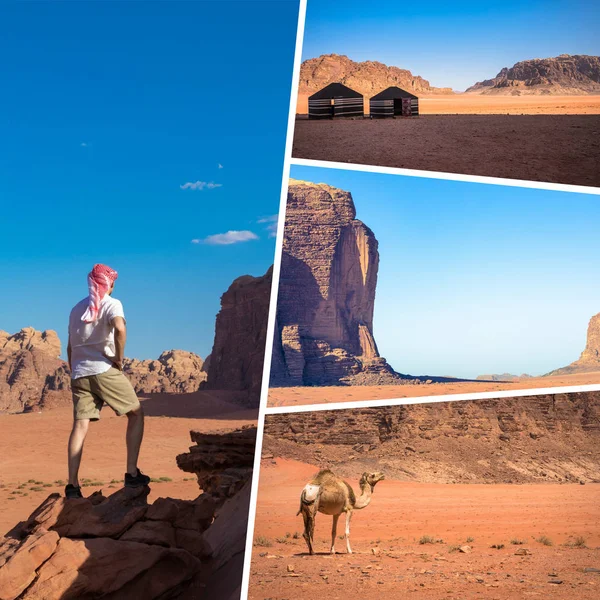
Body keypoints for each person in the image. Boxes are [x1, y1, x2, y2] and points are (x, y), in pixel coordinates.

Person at [65, 263, 150, 498]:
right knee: (136, 413)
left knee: (80, 426)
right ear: (109, 283)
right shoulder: (112, 304)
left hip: (79, 374)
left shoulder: (75, 309)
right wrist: (119, 359)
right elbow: (120, 329)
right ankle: (131, 474)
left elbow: (70, 346)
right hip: (103, 369)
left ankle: (72, 486)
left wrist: (75, 370)